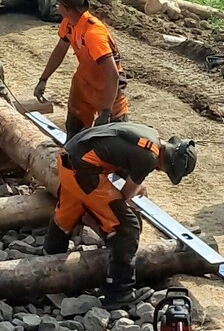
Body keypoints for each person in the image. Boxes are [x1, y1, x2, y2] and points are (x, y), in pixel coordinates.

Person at [44, 121, 197, 308]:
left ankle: (46, 267)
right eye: (167, 170)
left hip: (68, 160)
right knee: (127, 226)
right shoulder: (149, 157)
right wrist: (107, 219)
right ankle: (119, 291)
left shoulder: (149, 133)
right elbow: (124, 195)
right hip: (85, 170)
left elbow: (115, 155)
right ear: (169, 162)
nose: (161, 171)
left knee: (66, 216)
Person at [35, 0, 130, 138]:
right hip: (84, 83)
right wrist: (43, 79)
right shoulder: (69, 23)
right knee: (74, 129)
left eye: (59, 3)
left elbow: (112, 73)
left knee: (117, 137)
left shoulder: (93, 33)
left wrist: (106, 111)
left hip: (107, 89)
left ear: (65, 7)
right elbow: (60, 50)